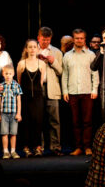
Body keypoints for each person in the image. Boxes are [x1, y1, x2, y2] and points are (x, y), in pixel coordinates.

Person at [62, 28, 99, 156]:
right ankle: (78, 147)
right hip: (72, 92)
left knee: (87, 121)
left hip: (87, 91)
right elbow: (65, 74)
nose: (79, 40)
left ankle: (88, 146)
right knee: (75, 121)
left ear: (85, 39)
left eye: (81, 38)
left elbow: (95, 74)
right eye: (77, 38)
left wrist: (94, 89)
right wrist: (65, 91)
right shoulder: (67, 55)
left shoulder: (90, 55)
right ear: (73, 39)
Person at [17, 39, 46, 157]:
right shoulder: (21, 64)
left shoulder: (42, 64)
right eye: (30, 47)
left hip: (38, 97)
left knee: (38, 121)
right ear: (26, 49)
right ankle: (26, 147)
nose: (32, 49)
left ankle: (38, 146)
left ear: (37, 49)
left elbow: (40, 82)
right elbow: (19, 81)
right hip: (25, 97)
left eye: (35, 47)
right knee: (26, 122)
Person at [37, 27, 64, 156]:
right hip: (37, 89)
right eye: (43, 40)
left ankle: (56, 147)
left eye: (48, 40)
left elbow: (61, 72)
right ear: (38, 38)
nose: (45, 42)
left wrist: (53, 62)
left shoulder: (57, 52)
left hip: (52, 88)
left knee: (54, 120)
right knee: (38, 120)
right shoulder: (32, 49)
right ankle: (39, 147)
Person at [0, 65, 23, 159]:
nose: (8, 75)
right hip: (4, 114)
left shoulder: (16, 85)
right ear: (3, 74)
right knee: (4, 133)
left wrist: (19, 113)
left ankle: (13, 151)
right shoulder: (1, 86)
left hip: (14, 113)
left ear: (13, 74)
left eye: (10, 73)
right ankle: (6, 152)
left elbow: (19, 100)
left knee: (13, 133)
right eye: (6, 73)